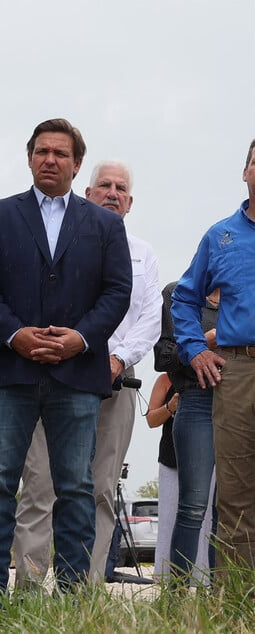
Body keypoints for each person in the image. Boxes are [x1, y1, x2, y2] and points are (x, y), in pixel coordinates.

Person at [0, 118, 132, 606]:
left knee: (76, 487)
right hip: (7, 370)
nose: (50, 159)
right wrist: (15, 334)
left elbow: (117, 290)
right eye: (41, 151)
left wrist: (80, 339)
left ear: (77, 164)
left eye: (60, 153)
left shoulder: (104, 224)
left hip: (77, 374)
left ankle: (74, 600)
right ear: (30, 157)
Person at [12, 159, 161, 586]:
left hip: (115, 383)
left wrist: (115, 359)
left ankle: (86, 590)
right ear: (87, 192)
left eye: (121, 188)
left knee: (99, 490)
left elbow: (151, 317)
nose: (112, 192)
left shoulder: (143, 254)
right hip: (51, 375)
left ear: (129, 203)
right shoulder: (61, 238)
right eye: (104, 185)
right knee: (41, 486)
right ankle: (27, 589)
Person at [171, 138, 255, 574]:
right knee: (236, 494)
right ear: (245, 172)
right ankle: (238, 605)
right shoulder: (220, 236)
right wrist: (194, 350)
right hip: (237, 371)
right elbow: (183, 299)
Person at [156, 281, 219, 583]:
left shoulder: (247, 294)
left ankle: (225, 596)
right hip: (196, 400)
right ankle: (177, 597)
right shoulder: (178, 293)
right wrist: (201, 344)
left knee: (233, 510)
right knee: (193, 506)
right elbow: (163, 357)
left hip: (242, 400)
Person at [145, 371, 215, 584]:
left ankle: (205, 579)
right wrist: (170, 407)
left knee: (209, 518)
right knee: (169, 517)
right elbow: (151, 419)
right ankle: (168, 578)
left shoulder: (214, 376)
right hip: (172, 458)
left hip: (209, 457)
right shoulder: (165, 380)